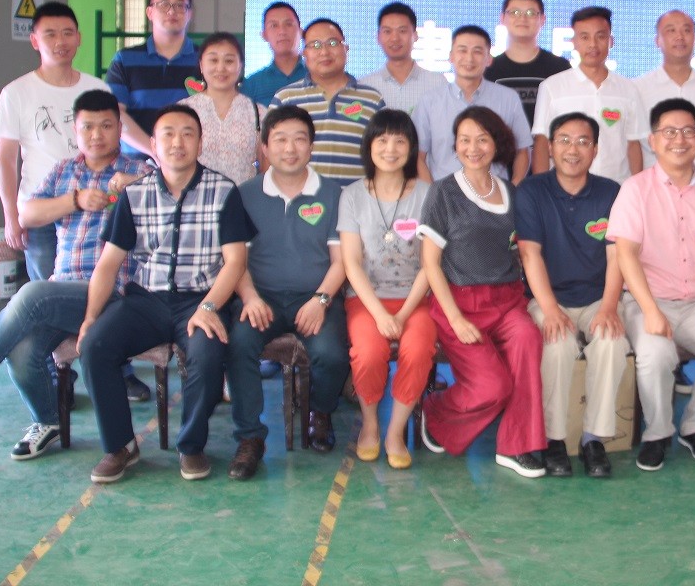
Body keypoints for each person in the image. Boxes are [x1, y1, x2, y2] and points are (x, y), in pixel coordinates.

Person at [0, 91, 147, 458]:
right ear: (75, 131)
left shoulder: (139, 172)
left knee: (32, 293)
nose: (97, 135)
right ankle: (47, 421)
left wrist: (135, 187)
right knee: (22, 350)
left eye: (106, 126)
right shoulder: (64, 170)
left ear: (119, 128)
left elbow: (165, 203)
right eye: (88, 127)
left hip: (113, 294)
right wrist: (74, 200)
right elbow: (27, 215)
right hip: (63, 291)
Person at [77, 104, 250, 483]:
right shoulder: (134, 195)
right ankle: (121, 446)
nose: (177, 142)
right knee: (95, 346)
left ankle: (191, 446)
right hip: (145, 301)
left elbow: (235, 261)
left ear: (200, 143)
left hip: (201, 299)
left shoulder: (224, 191)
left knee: (207, 354)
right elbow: (108, 264)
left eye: (188, 134)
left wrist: (209, 306)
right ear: (153, 145)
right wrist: (91, 317)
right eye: (168, 134)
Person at [607, 97, 695, 471]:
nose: (679, 139)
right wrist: (651, 311)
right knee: (656, 354)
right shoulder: (635, 189)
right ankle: (657, 433)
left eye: (688, 131)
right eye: (669, 132)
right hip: (647, 300)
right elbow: (625, 254)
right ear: (652, 141)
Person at [417, 106, 546, 478]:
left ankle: (517, 446)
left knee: (528, 340)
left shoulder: (510, 192)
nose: (473, 148)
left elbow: (520, 250)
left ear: (496, 144)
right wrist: (456, 319)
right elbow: (430, 264)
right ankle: (437, 411)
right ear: (455, 145)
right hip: (459, 303)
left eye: (482, 139)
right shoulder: (443, 192)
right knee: (492, 386)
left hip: (507, 301)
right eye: (465, 140)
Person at [226, 105, 349, 479]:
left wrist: (321, 300)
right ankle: (250, 437)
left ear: (311, 146)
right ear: (264, 147)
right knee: (239, 344)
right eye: (279, 139)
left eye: (299, 139)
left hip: (315, 296)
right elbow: (236, 261)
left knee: (332, 354)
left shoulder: (333, 194)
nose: (290, 148)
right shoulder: (243, 195)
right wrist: (250, 297)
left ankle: (320, 411)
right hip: (260, 296)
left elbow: (342, 261)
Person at [516, 112, 627, 478]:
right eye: (564, 140)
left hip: (597, 297)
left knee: (611, 342)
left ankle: (594, 438)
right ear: (550, 147)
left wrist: (609, 307)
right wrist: (550, 310)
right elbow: (529, 254)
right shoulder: (532, 191)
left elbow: (617, 256)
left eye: (583, 142)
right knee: (557, 343)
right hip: (548, 297)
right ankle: (554, 438)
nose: (573, 149)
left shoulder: (611, 192)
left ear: (595, 150)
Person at [338, 109, 437, 469]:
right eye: (382, 140)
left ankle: (395, 432)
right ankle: (370, 424)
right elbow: (351, 262)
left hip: (416, 299)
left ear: (411, 148)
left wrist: (405, 313)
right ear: (369, 146)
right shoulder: (352, 195)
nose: (390, 149)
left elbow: (430, 263)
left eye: (399, 141)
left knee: (418, 349)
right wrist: (380, 314)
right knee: (367, 353)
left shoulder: (428, 194)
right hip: (367, 300)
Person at [0, 1, 110, 282]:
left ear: (79, 38)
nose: (60, 41)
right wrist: (11, 216)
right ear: (34, 41)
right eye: (50, 34)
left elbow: (113, 142)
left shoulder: (97, 88)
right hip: (40, 213)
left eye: (67, 33)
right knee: (45, 292)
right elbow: (5, 160)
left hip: (90, 209)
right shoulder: (15, 93)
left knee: (92, 288)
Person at [532, 6, 647, 184]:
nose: (593, 44)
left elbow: (633, 144)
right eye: (585, 37)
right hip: (565, 188)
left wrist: (637, 189)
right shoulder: (552, 87)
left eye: (600, 36)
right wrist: (541, 189)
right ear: (574, 42)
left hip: (617, 186)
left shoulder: (628, 89)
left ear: (611, 41)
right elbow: (541, 141)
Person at [270, 17, 385, 183]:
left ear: (346, 48)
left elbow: (385, 155)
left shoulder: (372, 99)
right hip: (300, 197)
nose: (324, 52)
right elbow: (271, 155)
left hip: (357, 197)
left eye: (332, 43)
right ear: (304, 53)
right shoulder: (285, 98)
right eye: (315, 45)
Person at [414, 25, 531, 184]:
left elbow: (522, 150)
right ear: (451, 56)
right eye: (462, 50)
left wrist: (513, 189)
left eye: (477, 51)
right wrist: (433, 194)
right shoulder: (430, 101)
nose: (469, 58)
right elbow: (418, 156)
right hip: (445, 194)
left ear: (489, 59)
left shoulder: (508, 98)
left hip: (495, 194)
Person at [105, 0, 199, 154]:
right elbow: (114, 114)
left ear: (189, 14)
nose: (172, 11)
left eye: (180, 6)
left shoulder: (205, 61)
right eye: (164, 4)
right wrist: (155, 151)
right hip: (135, 164)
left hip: (189, 163)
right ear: (149, 12)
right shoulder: (125, 60)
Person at [633, 10, 695, 176]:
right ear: (657, 40)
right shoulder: (637, 89)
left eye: (686, 30)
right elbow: (632, 144)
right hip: (652, 185)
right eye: (671, 30)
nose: (680, 37)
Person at [180, 32, 267, 185]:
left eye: (229, 61)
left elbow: (266, 167)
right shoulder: (182, 111)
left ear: (240, 66)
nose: (221, 68)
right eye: (213, 60)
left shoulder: (259, 113)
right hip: (196, 197)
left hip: (243, 197)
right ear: (201, 65)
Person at [484, 0, 571, 125]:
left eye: (531, 13)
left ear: (543, 19)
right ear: (502, 19)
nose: (522, 18)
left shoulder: (560, 67)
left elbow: (569, 116)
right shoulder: (488, 68)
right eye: (515, 12)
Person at [358, 2, 444, 114]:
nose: (395, 38)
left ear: (415, 35)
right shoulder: (364, 86)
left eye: (402, 31)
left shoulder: (438, 83)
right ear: (378, 37)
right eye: (387, 31)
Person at [241, 1, 307, 106]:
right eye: (274, 25)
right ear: (264, 35)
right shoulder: (252, 85)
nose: (282, 31)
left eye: (288, 24)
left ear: (301, 31)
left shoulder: (318, 76)